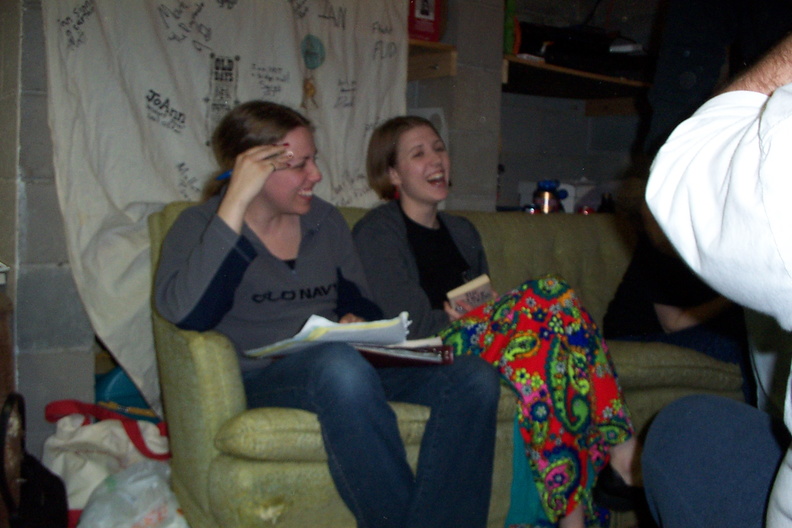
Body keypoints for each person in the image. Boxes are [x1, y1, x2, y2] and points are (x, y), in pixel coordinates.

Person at [153, 101, 502, 528]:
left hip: (348, 358)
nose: (316, 175)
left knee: (471, 375)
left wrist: (358, 320)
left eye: (313, 159)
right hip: (270, 373)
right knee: (339, 366)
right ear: (252, 171)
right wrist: (236, 205)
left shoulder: (325, 221)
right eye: (300, 165)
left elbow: (362, 302)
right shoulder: (200, 227)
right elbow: (188, 315)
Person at [352, 115, 639, 528]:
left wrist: (490, 311)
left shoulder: (462, 231)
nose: (436, 160)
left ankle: (571, 516)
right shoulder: (377, 232)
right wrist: (467, 315)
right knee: (551, 290)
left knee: (546, 357)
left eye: (439, 148)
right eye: (418, 154)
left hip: (477, 342)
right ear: (393, 173)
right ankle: (622, 445)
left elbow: (483, 301)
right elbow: (408, 324)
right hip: (424, 351)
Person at [643, 32, 792, 528]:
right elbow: (672, 322)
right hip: (660, 331)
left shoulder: (713, 204)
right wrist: (740, 296)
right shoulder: (663, 234)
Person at [603, 201, 756, 405]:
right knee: (736, 346)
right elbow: (673, 323)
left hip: (690, 331)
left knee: (753, 338)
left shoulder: (716, 242)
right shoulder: (658, 245)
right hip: (635, 335)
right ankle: (756, 418)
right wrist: (734, 294)